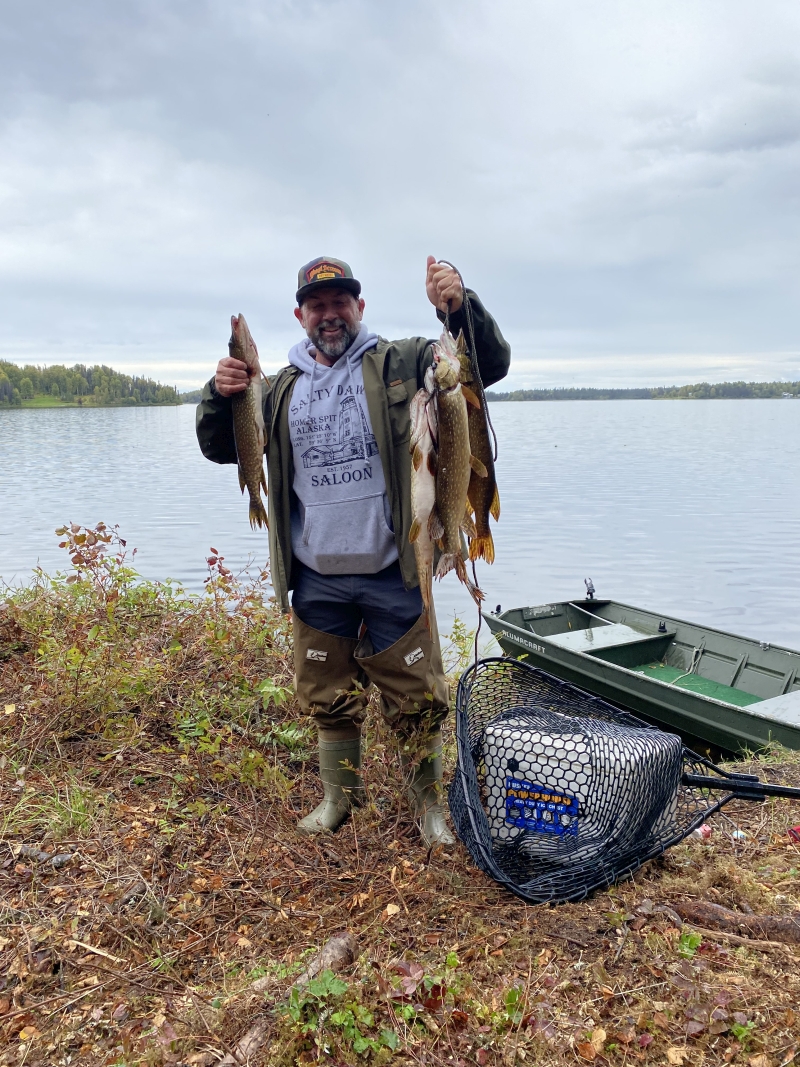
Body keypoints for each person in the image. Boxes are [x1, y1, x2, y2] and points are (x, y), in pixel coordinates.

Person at [196, 256, 510, 846]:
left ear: (359, 308)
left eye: (341, 302)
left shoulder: (405, 362)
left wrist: (460, 307)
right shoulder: (278, 387)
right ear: (300, 315)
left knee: (417, 697)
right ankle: (338, 798)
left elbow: (483, 369)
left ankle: (430, 811)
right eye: (317, 305)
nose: (329, 313)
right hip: (316, 574)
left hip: (395, 568)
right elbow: (222, 446)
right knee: (328, 696)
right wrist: (220, 394)